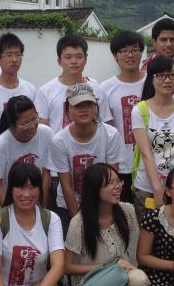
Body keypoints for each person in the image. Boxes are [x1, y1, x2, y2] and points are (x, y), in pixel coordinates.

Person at [65, 164, 150, 286]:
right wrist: (107, 265)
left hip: (121, 278)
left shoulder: (127, 210)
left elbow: (134, 252)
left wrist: (134, 280)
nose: (118, 186)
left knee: (140, 278)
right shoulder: (79, 222)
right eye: (110, 183)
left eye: (118, 181)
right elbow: (67, 267)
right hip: (94, 285)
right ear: (94, 188)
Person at [47, 83, 122, 227]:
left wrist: (102, 211)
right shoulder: (59, 141)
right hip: (68, 206)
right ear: (68, 109)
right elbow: (66, 186)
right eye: (77, 105)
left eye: (88, 104)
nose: (83, 110)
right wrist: (77, 222)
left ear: (95, 107)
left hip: (103, 203)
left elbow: (112, 179)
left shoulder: (111, 135)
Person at [131, 55, 174, 212]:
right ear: (151, 79)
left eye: (172, 75)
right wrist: (157, 189)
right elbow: (146, 154)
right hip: (147, 187)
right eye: (161, 75)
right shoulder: (140, 110)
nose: (167, 80)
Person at [99, 31, 146, 198]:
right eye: (124, 51)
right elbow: (106, 128)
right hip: (120, 164)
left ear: (142, 53)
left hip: (149, 163)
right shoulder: (105, 88)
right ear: (115, 56)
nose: (130, 55)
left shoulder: (152, 83)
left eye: (135, 50)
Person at [0, 95, 54, 204]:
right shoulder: (1, 145)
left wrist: (42, 208)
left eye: (34, 119)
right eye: (25, 123)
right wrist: (9, 212)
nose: (32, 126)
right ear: (12, 125)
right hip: (8, 201)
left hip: (34, 201)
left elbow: (45, 174)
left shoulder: (46, 133)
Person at [37, 35, 110, 128]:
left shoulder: (97, 90)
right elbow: (42, 128)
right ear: (59, 61)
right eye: (68, 57)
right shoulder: (46, 91)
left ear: (86, 59)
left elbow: (106, 126)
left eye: (79, 57)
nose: (74, 61)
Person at [141, 16, 174, 90]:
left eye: (172, 40)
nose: (168, 44)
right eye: (163, 40)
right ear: (154, 42)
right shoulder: (143, 71)